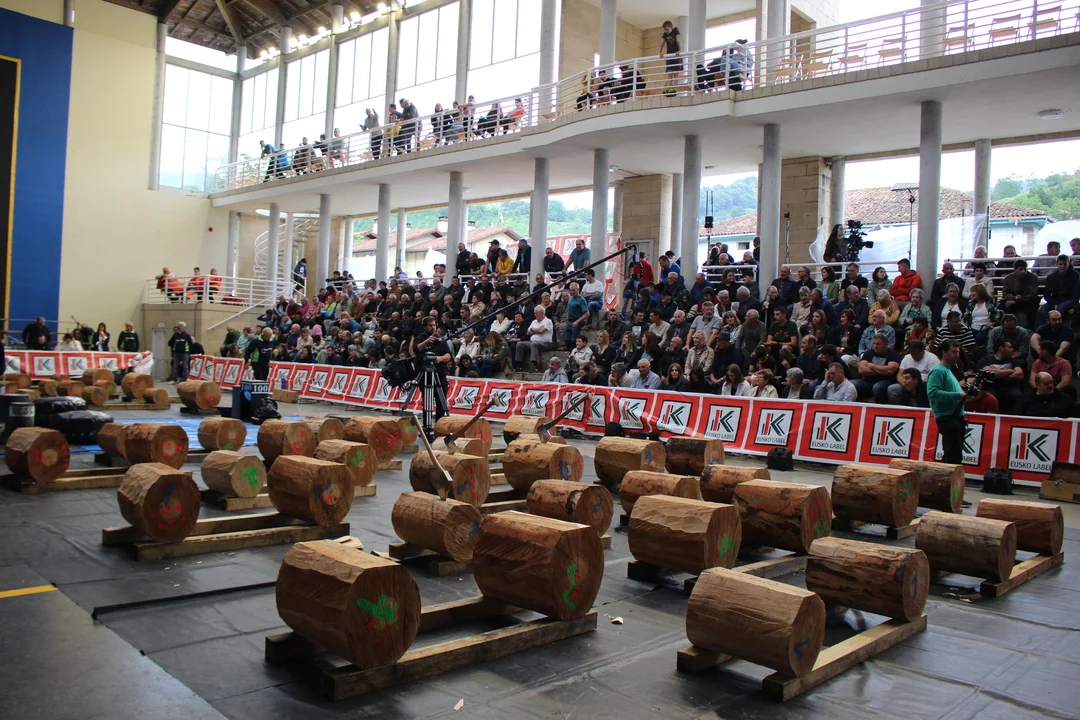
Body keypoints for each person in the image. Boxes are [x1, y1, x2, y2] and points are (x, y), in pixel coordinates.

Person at [927, 340, 970, 465]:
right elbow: (932, 393)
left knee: (953, 454)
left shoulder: (947, 370)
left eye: (958, 352)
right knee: (952, 455)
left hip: (955, 415)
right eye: (954, 352)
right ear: (943, 352)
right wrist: (958, 395)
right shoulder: (938, 371)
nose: (957, 355)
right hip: (947, 416)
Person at [977, 339, 1026, 413]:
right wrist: (1010, 370)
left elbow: (1019, 374)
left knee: (1018, 395)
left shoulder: (1012, 361)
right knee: (988, 396)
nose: (1012, 350)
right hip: (991, 388)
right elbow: (989, 373)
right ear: (1001, 348)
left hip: (1009, 388)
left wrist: (997, 373)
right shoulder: (985, 360)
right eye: (1009, 347)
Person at [855, 334, 901, 403]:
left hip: (886, 381)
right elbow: (861, 370)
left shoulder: (893, 354)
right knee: (853, 383)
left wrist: (873, 366)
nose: (875, 346)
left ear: (886, 344)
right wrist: (881, 370)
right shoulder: (869, 353)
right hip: (868, 381)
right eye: (874, 343)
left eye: (878, 344)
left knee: (877, 387)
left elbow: (890, 371)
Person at [1039, 253, 1080, 324]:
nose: (1063, 266)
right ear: (1057, 264)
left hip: (1069, 299)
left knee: (1061, 308)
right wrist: (1054, 303)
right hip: (1055, 299)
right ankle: (1046, 327)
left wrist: (1075, 306)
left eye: (1065, 264)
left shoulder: (1075, 275)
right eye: (1061, 264)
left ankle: (1057, 326)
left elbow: (1076, 293)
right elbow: (1046, 295)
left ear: (1068, 264)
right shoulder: (1051, 277)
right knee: (1043, 309)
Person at [1001, 259, 1041, 328]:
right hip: (1014, 299)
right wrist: (1013, 297)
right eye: (1020, 269)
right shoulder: (1008, 278)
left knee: (1033, 302)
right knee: (1003, 304)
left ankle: (1030, 328)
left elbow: (1032, 294)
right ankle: (1006, 327)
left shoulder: (1033, 277)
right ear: (1015, 269)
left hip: (1027, 301)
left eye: (1025, 269)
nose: (1023, 271)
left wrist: (1017, 301)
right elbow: (1005, 293)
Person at [515, 306, 554, 371]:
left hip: (545, 344)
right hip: (532, 342)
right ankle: (519, 365)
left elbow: (541, 331)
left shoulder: (548, 321)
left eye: (536, 313)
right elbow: (528, 333)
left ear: (542, 313)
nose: (535, 315)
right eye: (534, 313)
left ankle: (534, 365)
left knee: (534, 344)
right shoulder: (534, 322)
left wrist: (533, 330)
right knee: (519, 344)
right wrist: (537, 330)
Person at [659, 21, 682, 90]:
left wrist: (680, 50)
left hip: (676, 54)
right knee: (669, 74)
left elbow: (678, 40)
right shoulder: (665, 34)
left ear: (671, 27)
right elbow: (662, 43)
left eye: (667, 29)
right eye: (665, 29)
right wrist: (660, 52)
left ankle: (674, 90)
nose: (666, 31)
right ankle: (669, 89)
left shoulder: (675, 30)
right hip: (669, 55)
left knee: (676, 74)